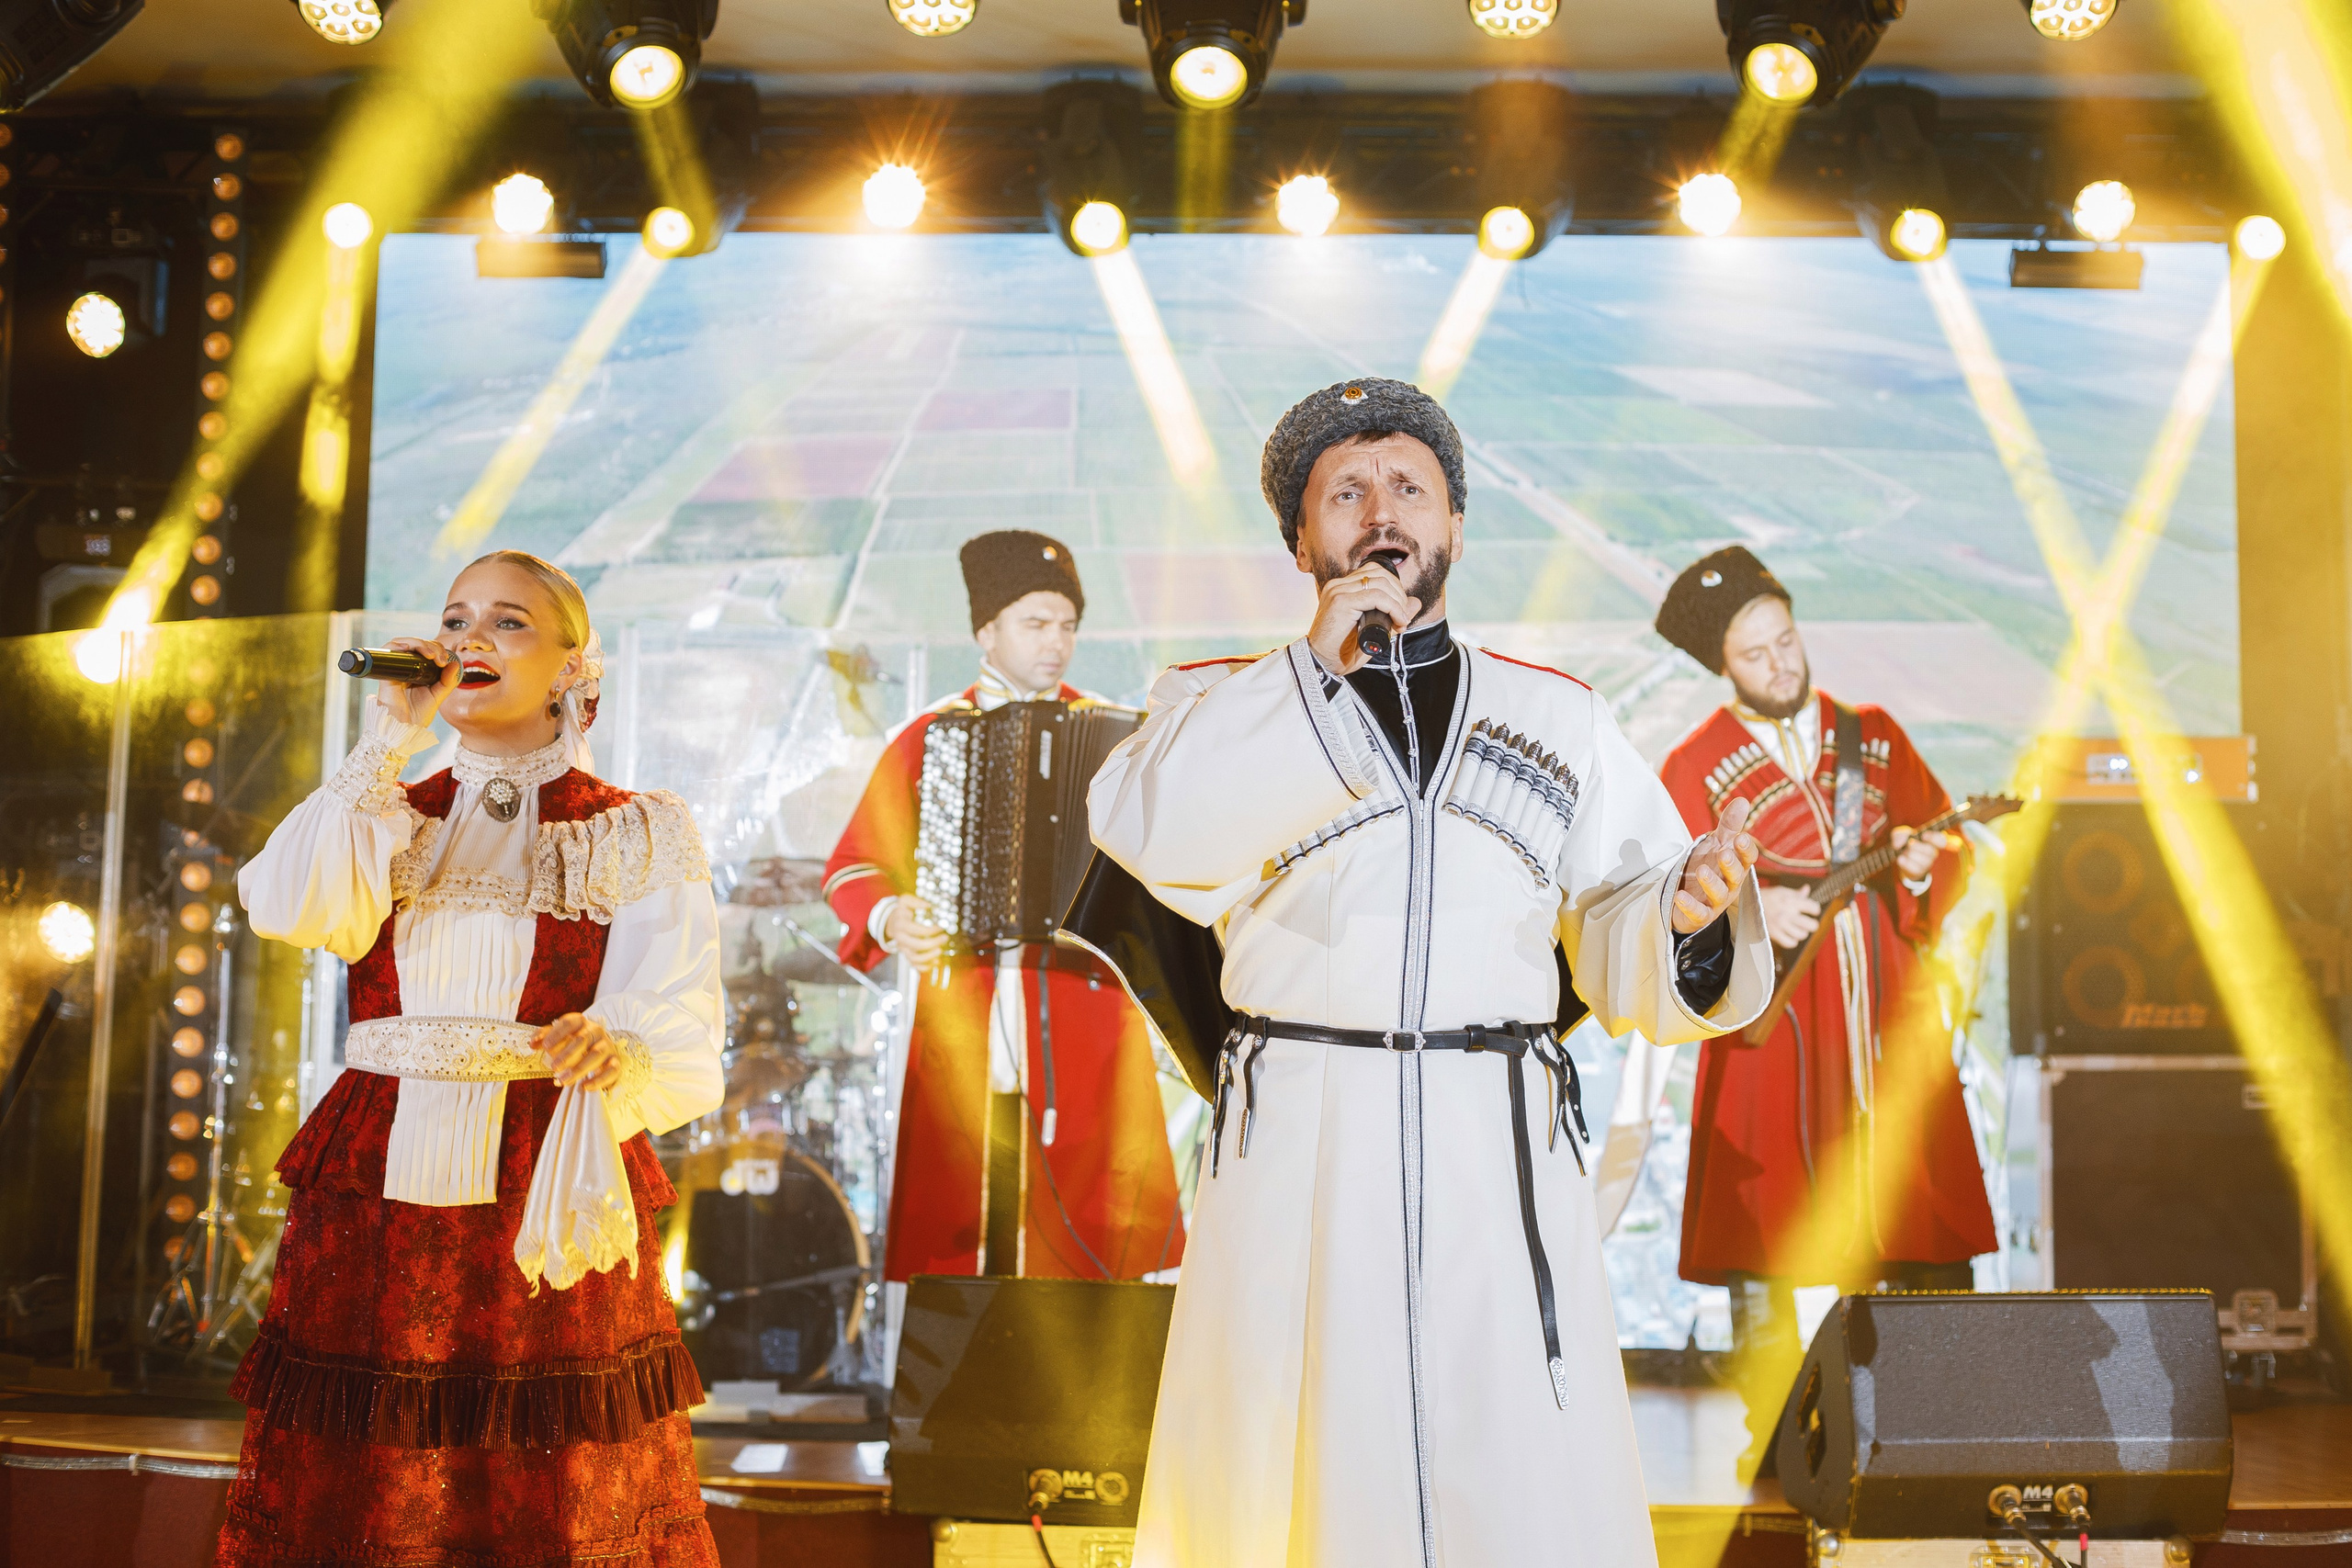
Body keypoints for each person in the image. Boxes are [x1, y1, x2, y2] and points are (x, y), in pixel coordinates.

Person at [1087, 379, 1774, 1568]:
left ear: (1454, 523)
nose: (1380, 511)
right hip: (1305, 1141)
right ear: (1302, 538)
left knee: (1507, 1470)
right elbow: (1159, 835)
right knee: (1292, 1470)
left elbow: (1623, 917)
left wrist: (1687, 913)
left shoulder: (1556, 715)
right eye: (1344, 492)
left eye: (1410, 485)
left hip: (1491, 1143)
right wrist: (1316, 667)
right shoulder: (1212, 700)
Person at [222, 551, 724, 1567]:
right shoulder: (387, 811)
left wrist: (611, 1042)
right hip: (376, 1173)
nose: (470, 641)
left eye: (508, 623)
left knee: (548, 1465)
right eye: (456, 620)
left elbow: (680, 1013)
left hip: (544, 1170)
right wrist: (387, 740)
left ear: (572, 665)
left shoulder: (633, 828)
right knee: (369, 1467)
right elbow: (286, 904)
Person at [1654, 545, 1998, 1457]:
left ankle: (1943, 1418)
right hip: (1776, 1016)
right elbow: (1663, 899)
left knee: (1916, 1194)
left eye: (1786, 641)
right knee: (1765, 1213)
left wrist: (1928, 864)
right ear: (1721, 667)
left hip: (1885, 1004)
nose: (1781, 666)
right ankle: (1779, 1429)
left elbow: (1942, 848)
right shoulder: (1693, 765)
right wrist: (1752, 908)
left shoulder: (1872, 733)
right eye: (1756, 655)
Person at [821, 530, 1184, 1299]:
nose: (1057, 643)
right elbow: (856, 864)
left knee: (1093, 1222)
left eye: (1068, 625)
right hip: (969, 998)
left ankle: (1085, 1407)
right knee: (965, 1213)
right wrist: (891, 914)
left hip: (1085, 1002)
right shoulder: (931, 735)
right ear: (986, 630)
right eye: (1036, 623)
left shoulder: (1117, 739)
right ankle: (959, 1406)